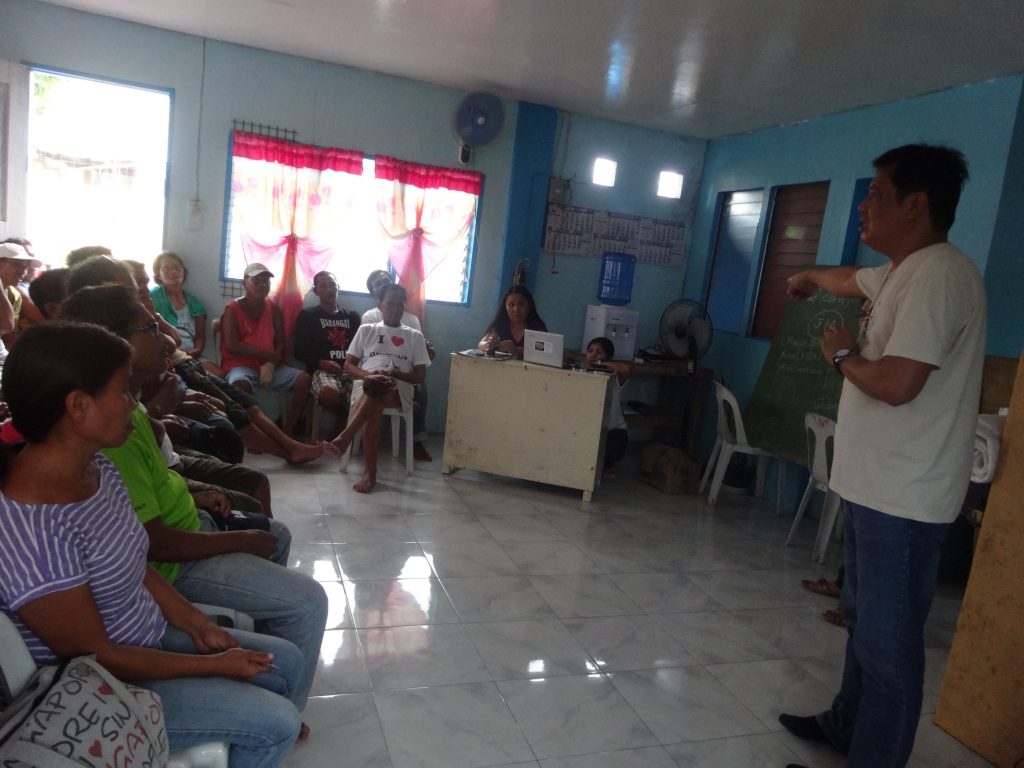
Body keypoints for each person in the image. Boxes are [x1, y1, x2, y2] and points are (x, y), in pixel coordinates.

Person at [0, 322, 303, 766]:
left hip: (146, 638)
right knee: (277, 722)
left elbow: (134, 560)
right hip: (101, 685)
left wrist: (198, 625)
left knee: (286, 664)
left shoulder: (97, 468)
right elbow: (97, 655)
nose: (133, 403)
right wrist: (214, 665)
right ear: (78, 406)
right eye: (123, 392)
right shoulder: (29, 529)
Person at [778, 144, 985, 768]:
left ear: (916, 205)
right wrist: (809, 276)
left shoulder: (940, 276)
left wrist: (842, 355)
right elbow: (848, 278)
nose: (864, 206)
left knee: (889, 653)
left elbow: (898, 384)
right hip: (875, 490)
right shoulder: (902, 269)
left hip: (906, 500)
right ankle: (846, 726)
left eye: (876, 194)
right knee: (862, 624)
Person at [60, 284, 329, 713]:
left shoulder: (126, 410)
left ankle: (258, 656)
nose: (166, 336)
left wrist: (197, 495)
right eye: (149, 327)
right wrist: (237, 541)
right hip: (174, 565)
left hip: (187, 527)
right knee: (308, 601)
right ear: (113, 341)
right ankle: (281, 710)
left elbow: (154, 492)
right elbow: (150, 545)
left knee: (273, 529)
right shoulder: (109, 431)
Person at [332, 283, 430, 493]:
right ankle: (369, 472)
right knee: (375, 392)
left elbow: (421, 375)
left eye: (400, 305)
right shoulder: (366, 329)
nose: (395, 309)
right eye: (390, 304)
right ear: (380, 304)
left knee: (380, 388)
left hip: (399, 387)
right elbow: (348, 365)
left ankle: (347, 440)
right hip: (366, 383)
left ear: (405, 307)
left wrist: (395, 374)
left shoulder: (414, 336)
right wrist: (371, 375)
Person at [220, 263, 311, 437]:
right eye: (257, 280)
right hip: (241, 365)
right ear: (244, 283)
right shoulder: (233, 308)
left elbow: (280, 342)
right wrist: (267, 355)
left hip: (270, 365)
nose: (262, 284)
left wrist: (271, 361)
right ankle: (257, 435)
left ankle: (287, 430)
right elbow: (232, 345)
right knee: (239, 386)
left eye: (266, 281)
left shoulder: (274, 308)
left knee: (304, 380)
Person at [362, 270, 435, 460]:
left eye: (387, 281)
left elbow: (416, 353)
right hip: (377, 370)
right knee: (378, 383)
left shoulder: (412, 320)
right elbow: (367, 353)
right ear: (374, 295)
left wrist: (427, 354)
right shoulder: (369, 318)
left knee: (422, 387)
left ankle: (417, 441)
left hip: (405, 372)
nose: (384, 284)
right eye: (378, 283)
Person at [294, 271, 360, 436]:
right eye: (323, 286)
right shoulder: (308, 315)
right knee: (328, 395)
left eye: (332, 285)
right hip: (322, 370)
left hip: (350, 370)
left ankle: (337, 439)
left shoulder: (352, 317)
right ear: (316, 291)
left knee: (366, 395)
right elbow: (299, 350)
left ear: (338, 287)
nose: (329, 290)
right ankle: (345, 418)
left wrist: (352, 367)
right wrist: (321, 363)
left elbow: (361, 348)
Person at [585, 336, 631, 476]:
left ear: (608, 357)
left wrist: (601, 364)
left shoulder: (615, 376)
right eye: (590, 351)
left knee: (610, 453)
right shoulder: (583, 373)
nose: (593, 355)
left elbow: (626, 369)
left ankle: (607, 463)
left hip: (612, 431)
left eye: (599, 352)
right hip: (589, 429)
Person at [151, 250, 208, 357]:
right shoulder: (152, 297)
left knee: (218, 373)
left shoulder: (196, 304)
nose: (173, 272)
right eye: (166, 268)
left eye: (177, 267)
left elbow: (200, 338)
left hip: (190, 356)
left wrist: (196, 351)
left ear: (184, 271)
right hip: (166, 354)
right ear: (158, 275)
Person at [478, 284, 547, 358]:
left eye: (521, 304)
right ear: (505, 307)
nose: (516, 309)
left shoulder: (537, 327)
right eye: (511, 305)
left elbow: (545, 352)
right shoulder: (500, 325)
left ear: (529, 305)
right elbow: (480, 344)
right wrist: (489, 345)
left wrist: (515, 350)